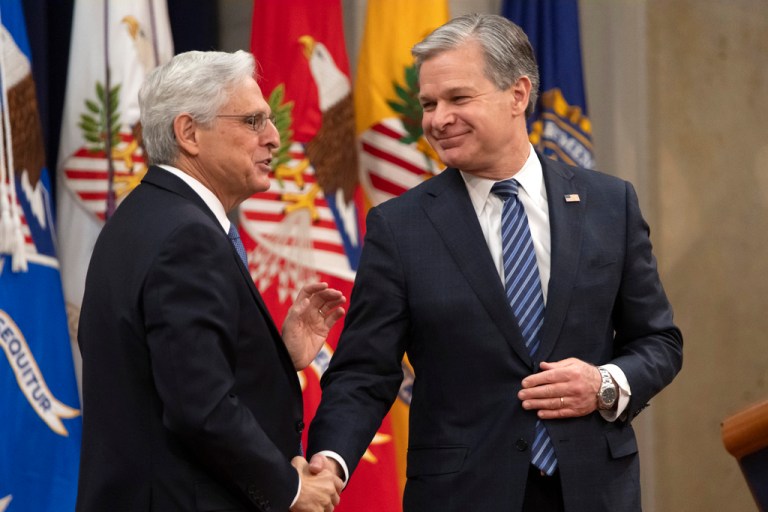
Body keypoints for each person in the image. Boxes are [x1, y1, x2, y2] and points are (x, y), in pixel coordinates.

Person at [306, 13, 683, 512]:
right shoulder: (400, 227)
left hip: (593, 490)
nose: (437, 119)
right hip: (461, 495)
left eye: (458, 98)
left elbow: (658, 340)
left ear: (518, 95)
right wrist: (329, 461)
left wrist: (605, 384)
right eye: (428, 104)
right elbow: (363, 373)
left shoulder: (610, 204)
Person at [76, 50, 345, 512]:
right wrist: (291, 488)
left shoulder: (143, 216)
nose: (275, 137)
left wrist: (276, 358)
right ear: (189, 133)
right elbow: (198, 408)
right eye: (254, 121)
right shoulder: (187, 235)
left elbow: (175, 374)